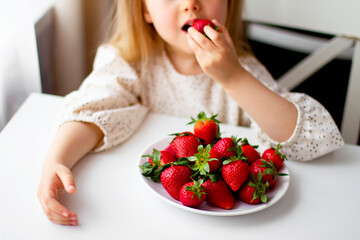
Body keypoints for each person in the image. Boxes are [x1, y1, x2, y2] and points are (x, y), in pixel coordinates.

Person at [37, 0, 344, 226]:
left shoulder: (244, 73)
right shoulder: (130, 63)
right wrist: (57, 161)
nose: (191, 4)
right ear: (144, 9)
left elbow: (315, 139)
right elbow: (94, 108)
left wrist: (233, 77)